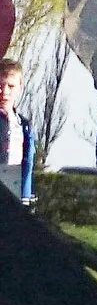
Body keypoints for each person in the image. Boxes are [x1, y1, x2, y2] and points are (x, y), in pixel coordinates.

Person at [0, 57, 26, 201]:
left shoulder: (23, 126)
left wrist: (25, 198)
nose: (4, 91)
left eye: (11, 86)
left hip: (12, 190)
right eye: (0, 85)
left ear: (20, 87)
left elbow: (27, 164)